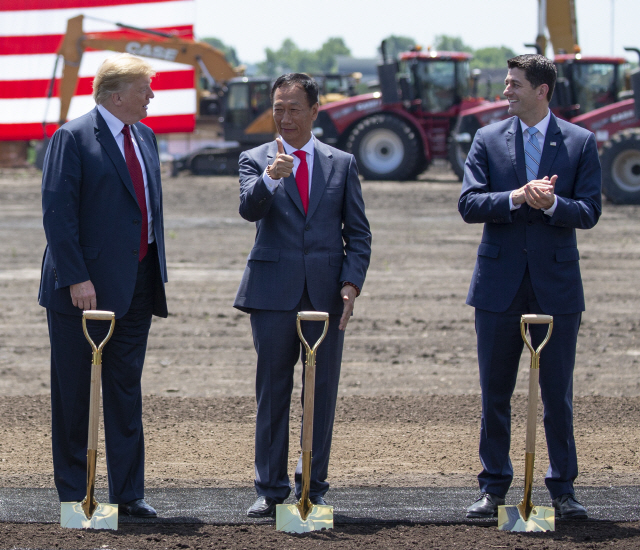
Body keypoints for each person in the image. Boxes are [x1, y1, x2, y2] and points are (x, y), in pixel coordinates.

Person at [459, 54, 601, 520]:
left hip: (556, 288)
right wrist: (518, 197)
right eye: (506, 83)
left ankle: (563, 489)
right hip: (498, 287)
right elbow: (469, 203)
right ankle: (493, 488)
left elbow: (590, 212)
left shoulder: (581, 142)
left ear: (542, 91)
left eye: (514, 85)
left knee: (556, 393)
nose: (505, 92)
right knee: (494, 391)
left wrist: (553, 204)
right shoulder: (486, 138)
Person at [234, 73, 372, 518]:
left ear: (315, 111)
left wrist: (351, 283)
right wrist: (272, 178)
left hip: (326, 296)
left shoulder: (342, 162)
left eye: (294, 108)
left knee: (321, 392)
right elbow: (248, 209)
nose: (285, 117)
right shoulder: (255, 158)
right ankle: (270, 489)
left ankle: (314, 484)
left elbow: (359, 232)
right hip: (272, 293)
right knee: (273, 392)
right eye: (279, 108)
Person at [39, 53, 168, 518]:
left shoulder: (147, 138)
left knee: (124, 392)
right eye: (143, 90)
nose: (151, 97)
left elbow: (144, 213)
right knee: (74, 395)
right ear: (116, 95)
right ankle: (78, 498)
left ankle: (128, 495)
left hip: (137, 285)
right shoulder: (72, 138)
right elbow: (57, 213)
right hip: (82, 291)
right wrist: (76, 277)